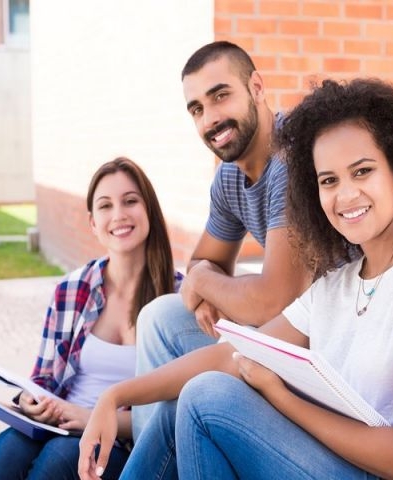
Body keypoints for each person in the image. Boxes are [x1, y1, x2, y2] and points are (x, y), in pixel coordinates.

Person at [78, 78, 393, 480]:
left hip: (388, 472)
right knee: (183, 401)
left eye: (362, 172)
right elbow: (231, 356)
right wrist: (116, 397)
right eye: (329, 180)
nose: (345, 196)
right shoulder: (340, 282)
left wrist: (279, 395)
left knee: (206, 398)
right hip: (340, 463)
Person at [131, 40, 312, 439]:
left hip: (326, 344)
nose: (210, 118)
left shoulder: (292, 159)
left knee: (170, 332)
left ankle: (167, 450)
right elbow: (198, 267)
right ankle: (166, 448)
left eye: (220, 96)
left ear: (257, 88)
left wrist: (205, 283)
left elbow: (273, 298)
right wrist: (207, 284)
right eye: (196, 109)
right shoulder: (229, 178)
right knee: (159, 317)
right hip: (285, 328)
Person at [0, 157, 182, 480]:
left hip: (124, 442)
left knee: (58, 462)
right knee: (6, 451)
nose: (119, 215)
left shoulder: (177, 299)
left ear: (149, 212)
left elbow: (170, 412)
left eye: (130, 201)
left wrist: (92, 417)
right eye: (105, 206)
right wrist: (32, 401)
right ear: (92, 223)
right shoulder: (71, 290)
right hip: (59, 422)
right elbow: (42, 379)